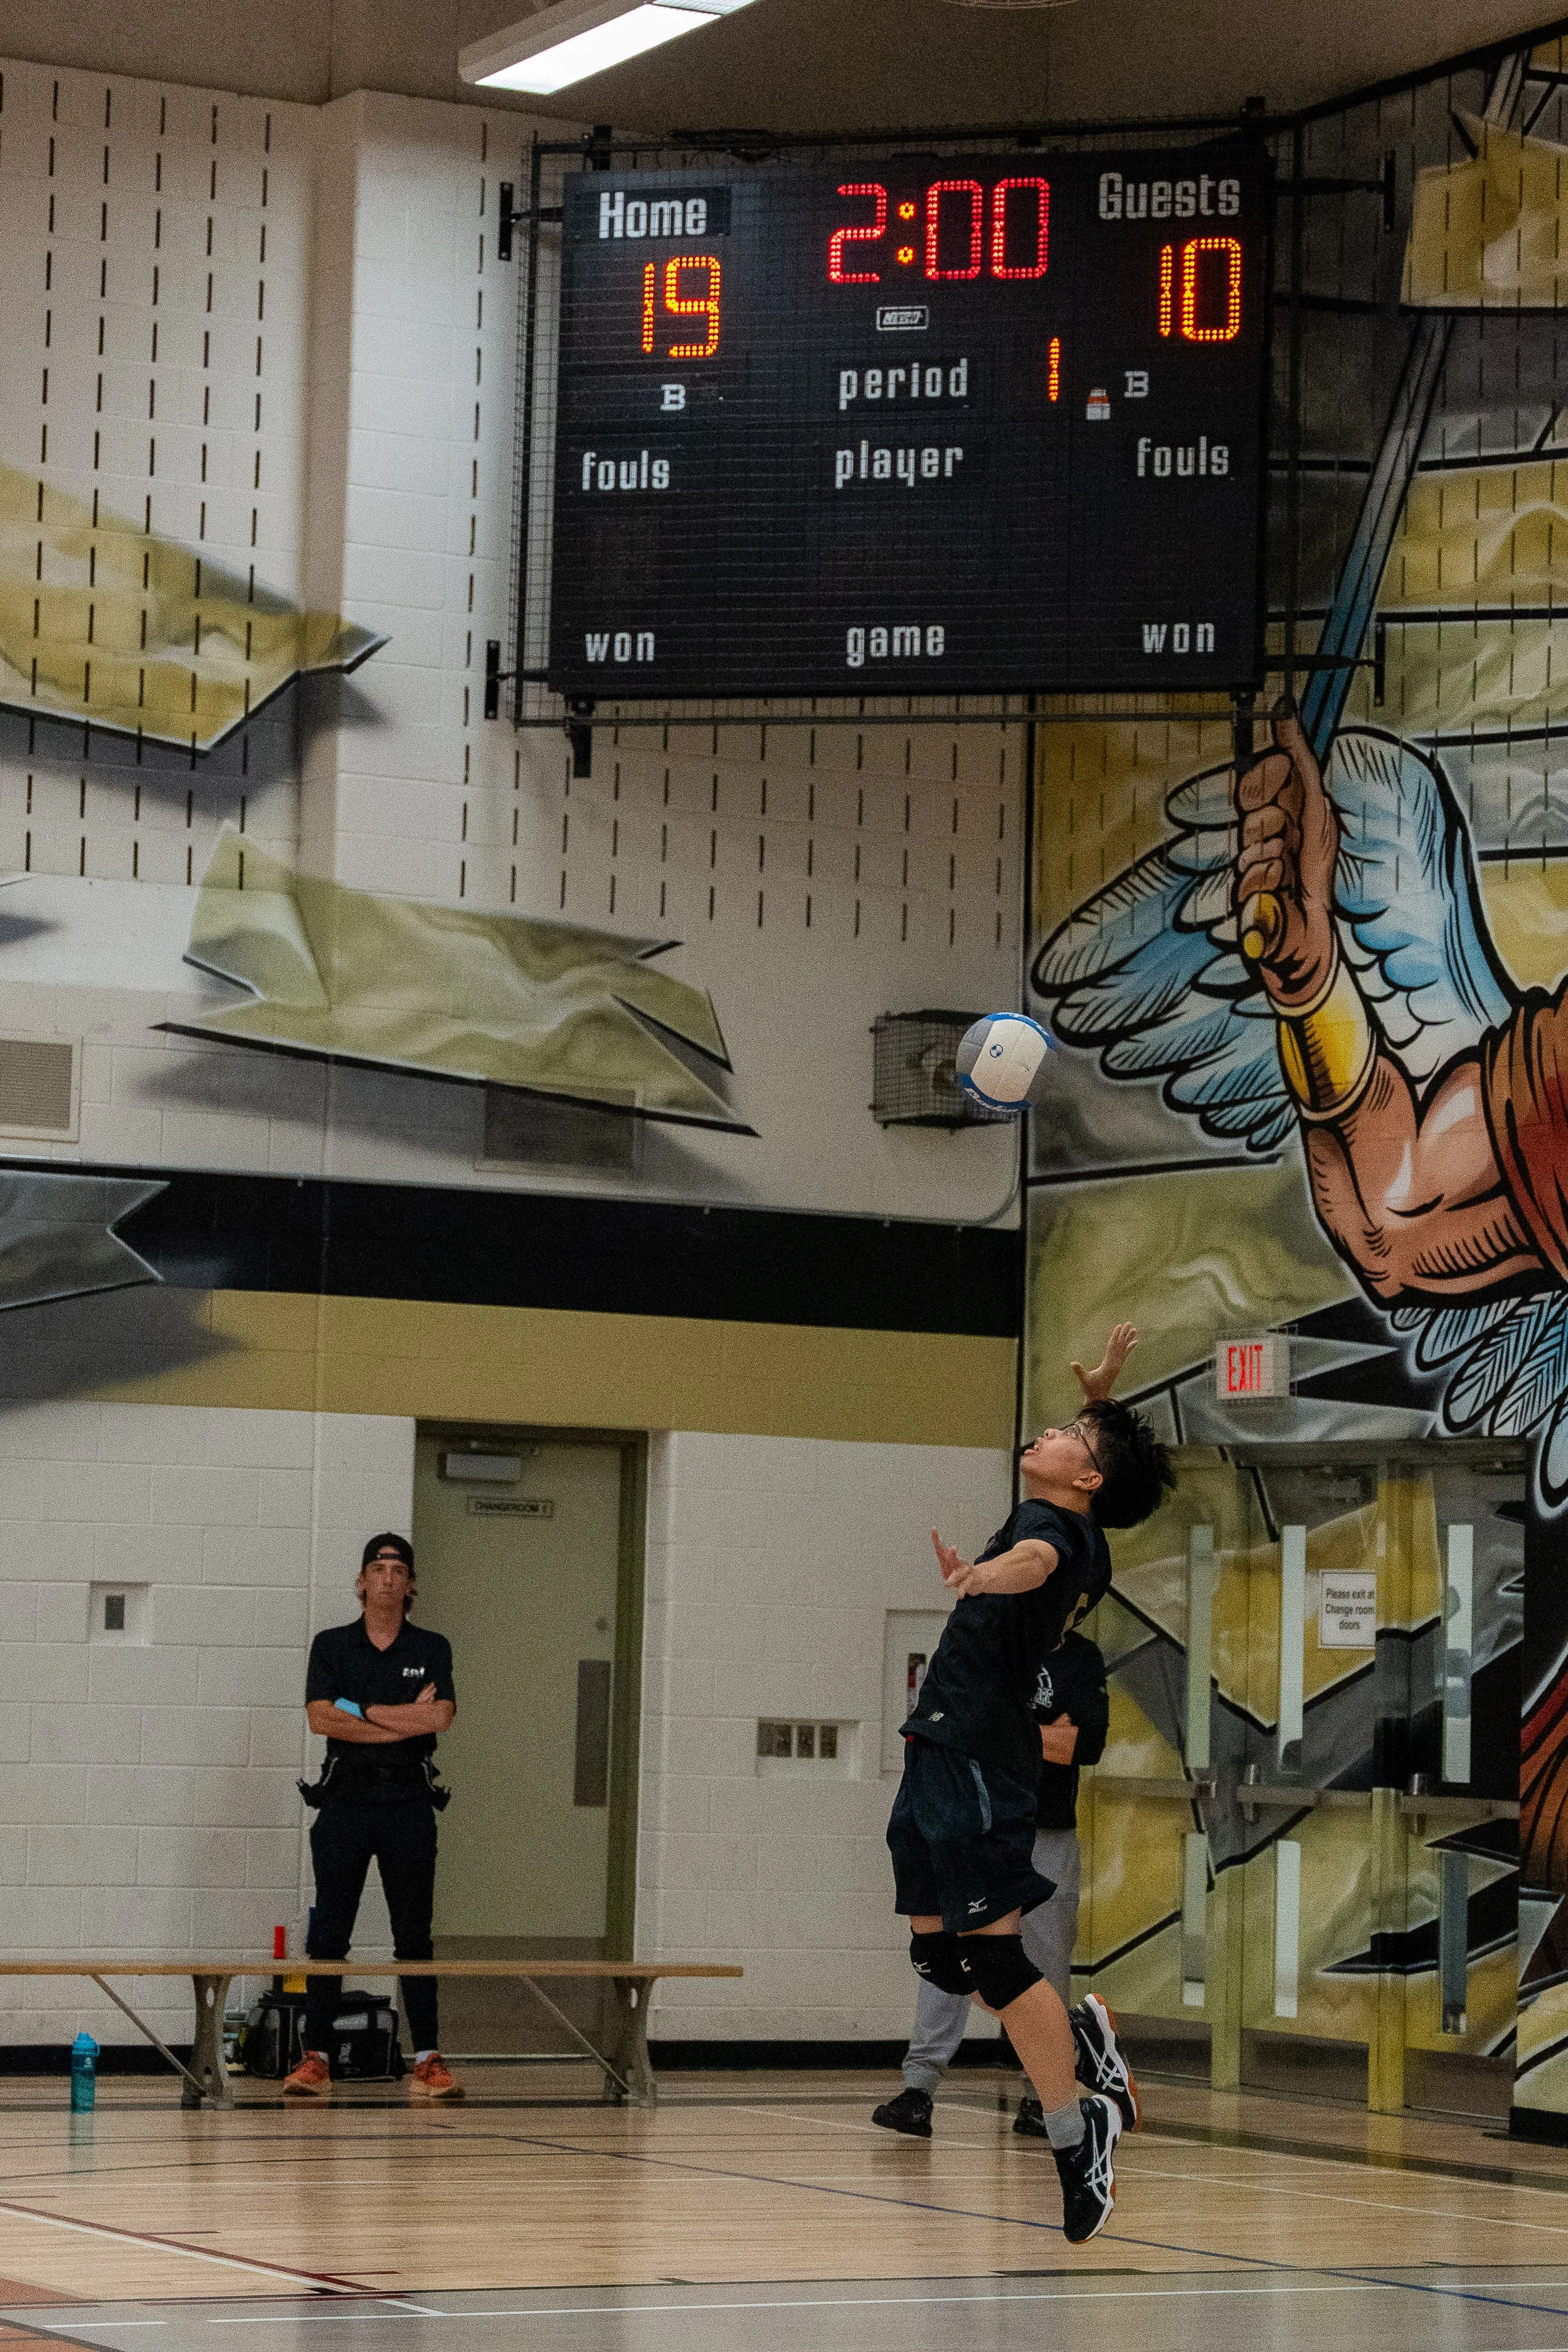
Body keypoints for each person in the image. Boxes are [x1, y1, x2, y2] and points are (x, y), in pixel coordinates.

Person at [884, 1327, 1175, 2243]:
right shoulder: (1067, 1510)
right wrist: (1104, 1395)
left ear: (1085, 1480)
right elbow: (1084, 1477)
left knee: (1000, 1961)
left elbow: (1034, 1565)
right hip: (942, 1743)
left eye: (1069, 1435)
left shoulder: (1057, 1534)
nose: (1049, 1433)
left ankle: (1072, 2125)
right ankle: (1085, 2040)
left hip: (980, 1753)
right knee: (939, 1957)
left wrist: (982, 1575)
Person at [872, 1625, 1113, 2139]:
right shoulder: (976, 1646)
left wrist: (1001, 1732)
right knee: (946, 1954)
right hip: (975, 1827)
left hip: (1046, 1828)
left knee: (1044, 1964)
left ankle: (1044, 2092)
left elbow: (1081, 1744)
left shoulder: (1081, 1659)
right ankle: (919, 2087)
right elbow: (950, 1732)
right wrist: (1037, 1733)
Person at [283, 1534, 462, 2100]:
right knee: (330, 1935)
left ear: (411, 1586)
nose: (387, 1577)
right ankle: (316, 2057)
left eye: (398, 1569)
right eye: (378, 1568)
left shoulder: (432, 1647)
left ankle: (429, 2058)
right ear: (362, 1581)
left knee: (414, 1936)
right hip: (345, 1803)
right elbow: (320, 1719)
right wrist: (400, 1717)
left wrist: (360, 1710)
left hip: (408, 1804)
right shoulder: (332, 1645)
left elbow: (440, 1718)